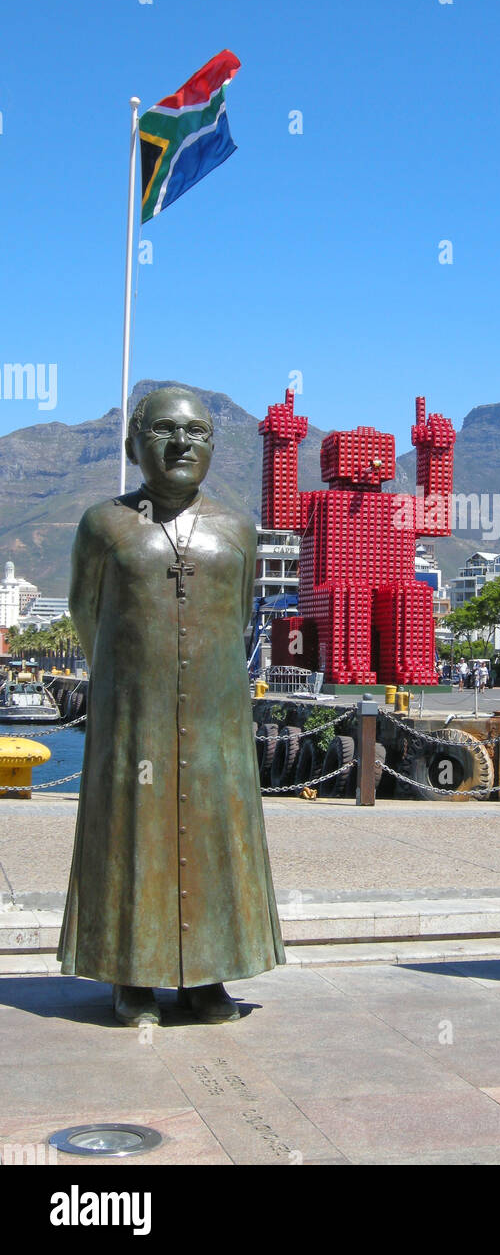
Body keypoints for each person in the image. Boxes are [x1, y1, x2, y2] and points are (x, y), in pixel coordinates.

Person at [58, 387, 285, 1025]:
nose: (182, 443)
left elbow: (239, 613)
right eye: (164, 430)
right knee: (131, 833)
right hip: (136, 715)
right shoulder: (103, 525)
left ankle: (205, 979)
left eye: (198, 432)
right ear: (135, 443)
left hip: (216, 721)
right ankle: (131, 977)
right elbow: (87, 615)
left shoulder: (239, 528)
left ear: (213, 445)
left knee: (215, 835)